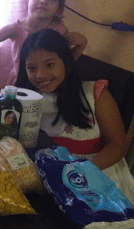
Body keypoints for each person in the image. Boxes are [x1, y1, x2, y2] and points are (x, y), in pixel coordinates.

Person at [15, 28, 134, 202]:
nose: (40, 75)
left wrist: (81, 172)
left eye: (50, 65)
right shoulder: (24, 97)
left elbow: (117, 145)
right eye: (31, 68)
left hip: (97, 175)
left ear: (66, 62)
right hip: (44, 177)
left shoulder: (94, 94)